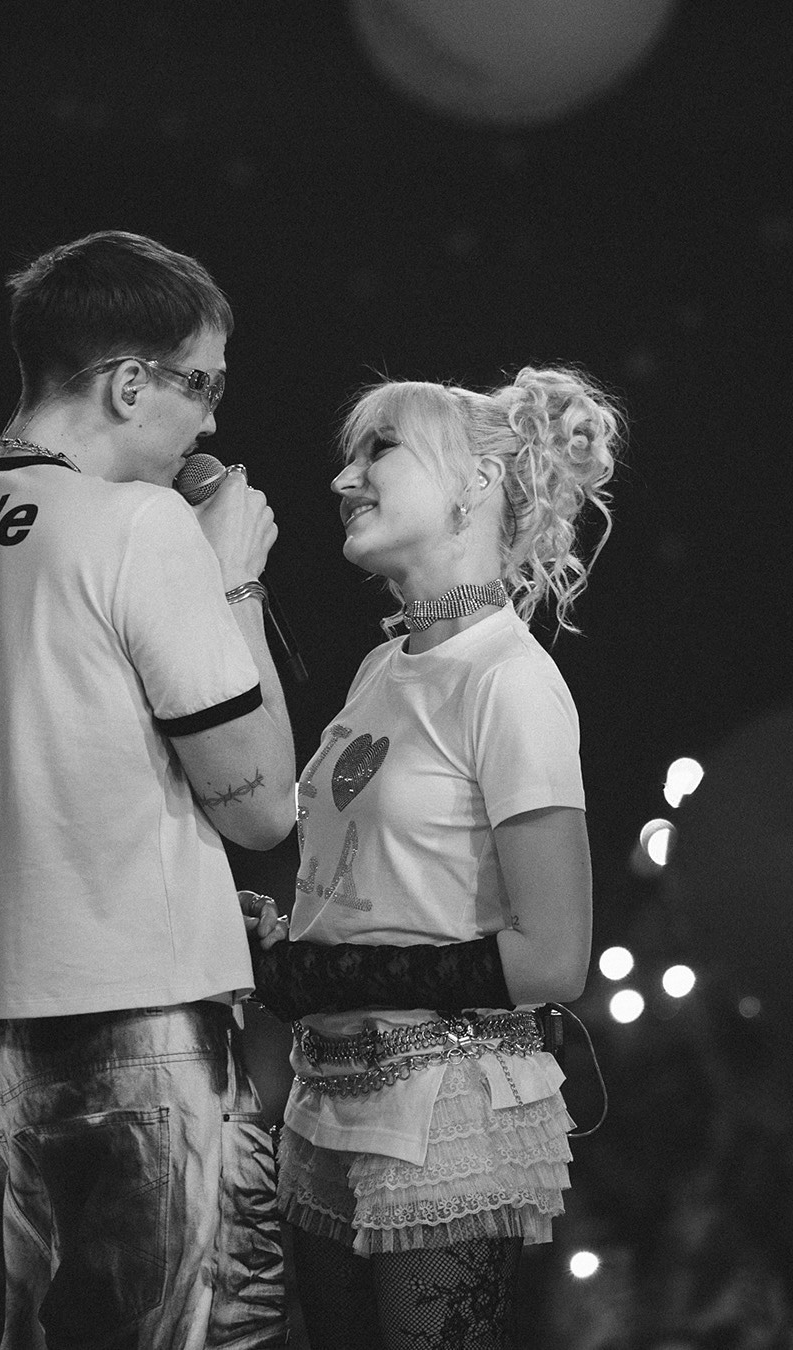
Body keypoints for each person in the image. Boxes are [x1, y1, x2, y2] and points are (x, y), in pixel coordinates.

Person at [0, 230, 296, 1350]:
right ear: (128, 383)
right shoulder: (138, 526)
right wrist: (234, 582)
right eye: (202, 386)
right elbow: (262, 807)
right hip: (142, 1026)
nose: (211, 424)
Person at [245, 367, 621, 1349]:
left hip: (445, 1116)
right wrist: (286, 945)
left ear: (474, 484)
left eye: (380, 449)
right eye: (348, 456)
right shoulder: (381, 667)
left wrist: (329, 974)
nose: (344, 479)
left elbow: (553, 959)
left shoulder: (510, 681)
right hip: (324, 1105)